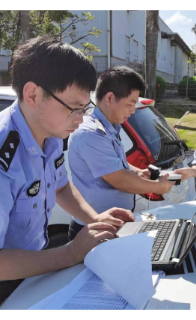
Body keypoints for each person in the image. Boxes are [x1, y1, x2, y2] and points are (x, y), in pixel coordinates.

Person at [0, 37, 134, 310]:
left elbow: (60, 187)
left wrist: (97, 220)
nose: (80, 120)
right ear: (32, 95)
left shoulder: (49, 133)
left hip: (31, 268)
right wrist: (70, 253)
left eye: (85, 108)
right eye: (73, 108)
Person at [68, 66, 175, 241]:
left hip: (112, 225)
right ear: (110, 98)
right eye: (130, 104)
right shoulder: (91, 133)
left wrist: (137, 172)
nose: (132, 111)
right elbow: (119, 180)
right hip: (94, 229)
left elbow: (118, 163)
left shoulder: (111, 127)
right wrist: (158, 187)